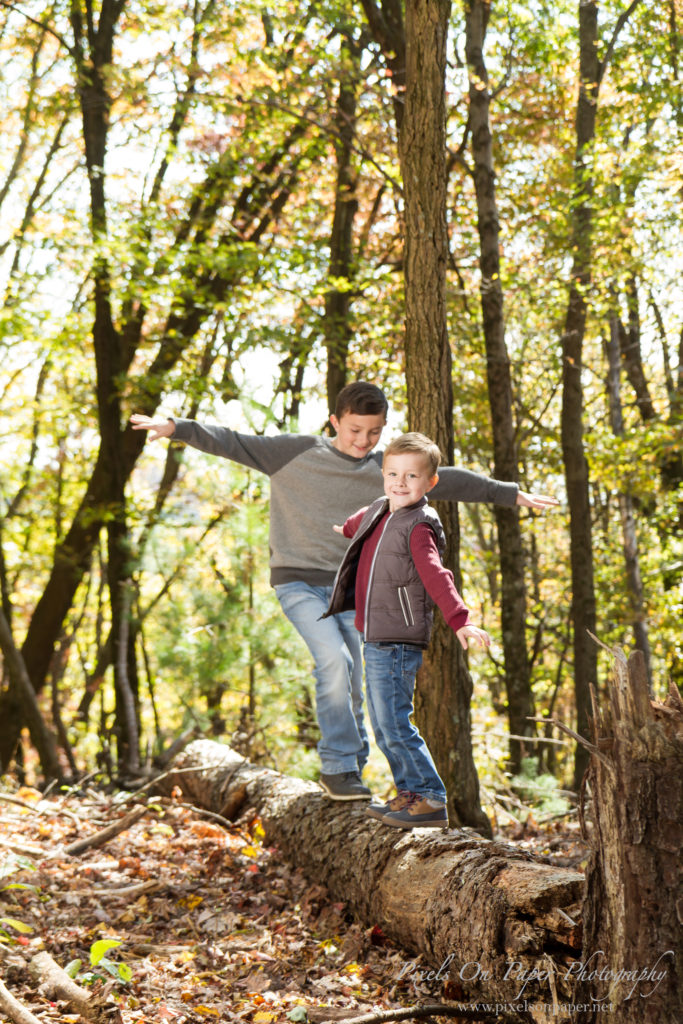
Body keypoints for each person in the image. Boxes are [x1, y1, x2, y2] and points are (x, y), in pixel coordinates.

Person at [131, 381, 557, 801]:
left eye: (374, 432)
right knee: (334, 661)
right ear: (335, 421)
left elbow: (451, 481)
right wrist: (176, 427)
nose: (363, 440)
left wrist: (512, 494)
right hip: (297, 581)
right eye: (354, 430)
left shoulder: (386, 471)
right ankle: (337, 764)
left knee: (356, 673)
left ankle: (350, 771)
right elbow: (233, 440)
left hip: (353, 590)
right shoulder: (293, 452)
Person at [325, 432, 490, 829]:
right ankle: (409, 794)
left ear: (429, 483)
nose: (400, 483)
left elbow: (436, 575)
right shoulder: (383, 509)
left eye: (411, 476)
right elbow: (360, 523)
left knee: (396, 722)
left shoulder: (419, 526)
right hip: (375, 634)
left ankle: (430, 796)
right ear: (383, 474)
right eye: (393, 474)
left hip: (398, 638)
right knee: (382, 724)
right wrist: (345, 528)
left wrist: (460, 619)